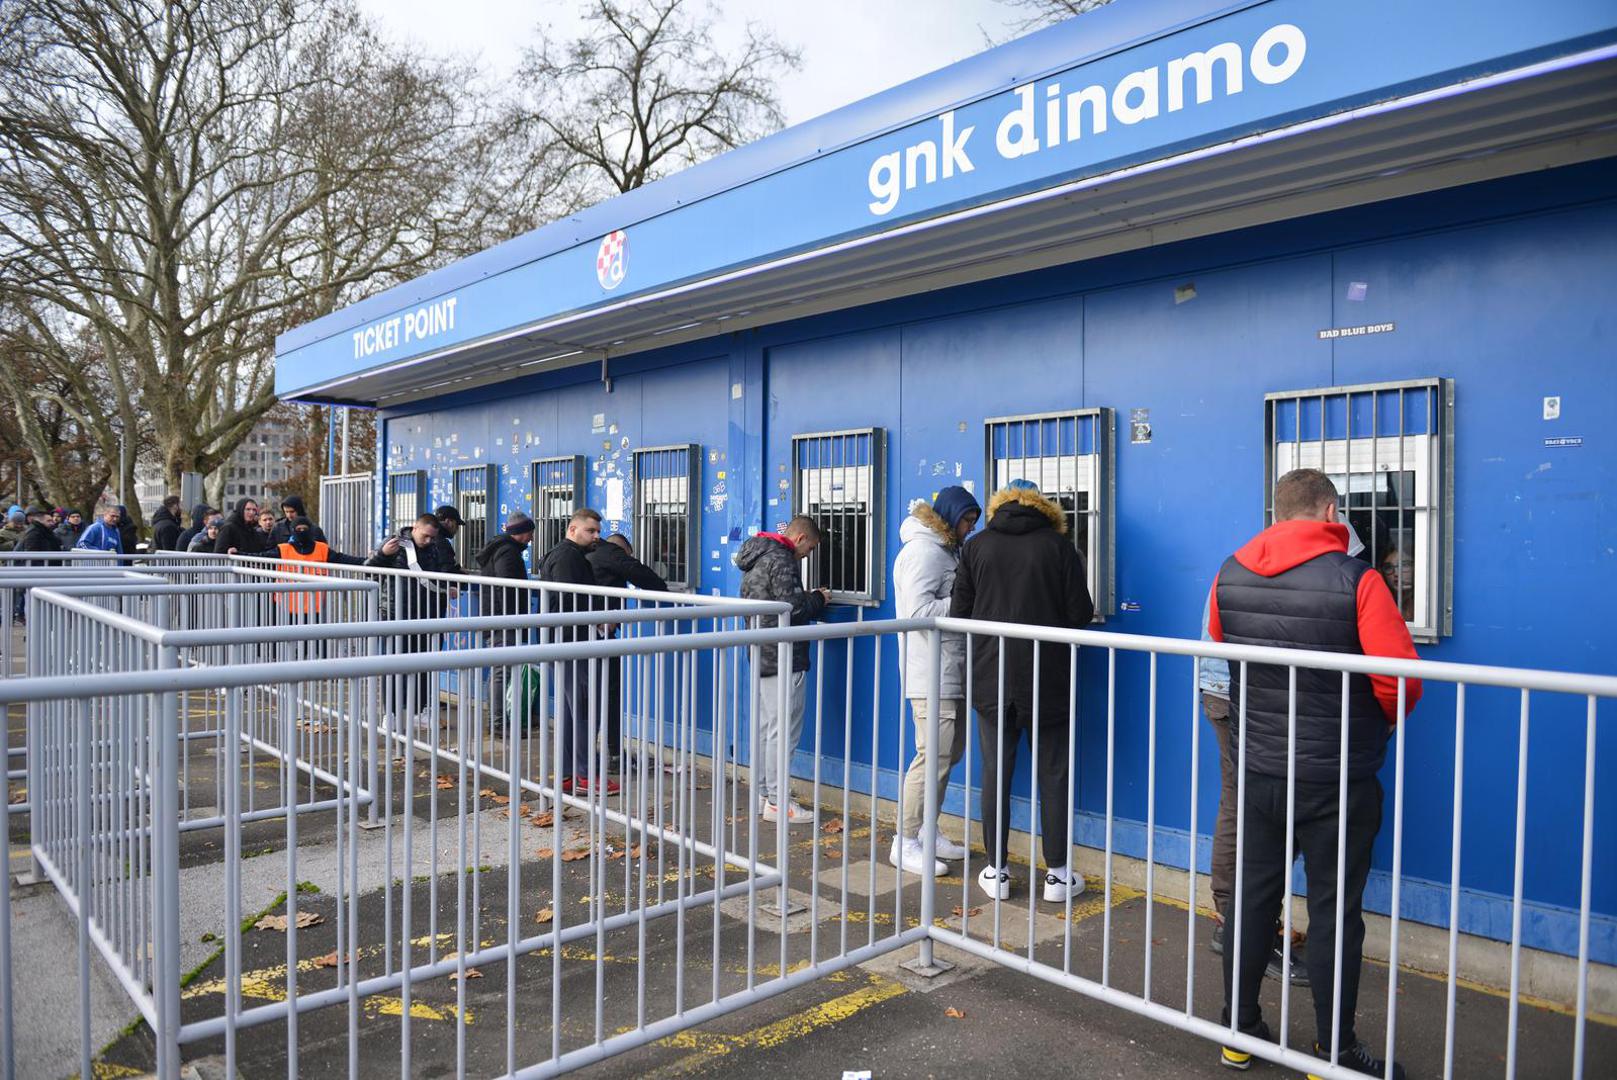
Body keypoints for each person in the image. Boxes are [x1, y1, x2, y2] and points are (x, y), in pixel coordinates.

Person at [1208, 468, 1421, 1079]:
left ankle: (1238, 1031)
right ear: (1331, 511)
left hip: (1259, 771)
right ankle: (1333, 1053)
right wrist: (1371, 728)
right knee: (1333, 912)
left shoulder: (1230, 573)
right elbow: (1398, 681)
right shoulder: (1359, 579)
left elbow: (1229, 654)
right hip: (1337, 779)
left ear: (1278, 512)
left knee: (1253, 901)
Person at [950, 479, 1092, 904]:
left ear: (999, 505)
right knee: (1053, 773)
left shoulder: (977, 546)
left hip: (991, 679)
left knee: (996, 773)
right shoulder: (1058, 547)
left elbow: (960, 613)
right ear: (1042, 505)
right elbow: (1079, 614)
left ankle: (997, 870)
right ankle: (1058, 875)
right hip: (1047, 678)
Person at [1200, 593, 1308, 986]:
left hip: (1223, 685)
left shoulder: (1239, 563)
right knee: (1260, 807)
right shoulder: (1296, 563)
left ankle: (1232, 921)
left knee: (1238, 801)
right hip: (1254, 692)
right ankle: (1246, 928)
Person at [890, 486, 980, 877]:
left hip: (949, 670)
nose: (969, 529)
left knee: (947, 756)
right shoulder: (924, 552)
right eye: (966, 521)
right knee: (931, 759)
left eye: (974, 523)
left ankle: (927, 828)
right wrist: (965, 601)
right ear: (949, 516)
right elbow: (918, 610)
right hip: (931, 674)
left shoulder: (944, 550)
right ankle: (905, 840)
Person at [735, 515, 830, 825]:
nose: (808, 555)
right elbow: (795, 608)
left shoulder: (756, 557)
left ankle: (765, 794)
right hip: (785, 656)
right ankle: (778, 802)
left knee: (766, 730)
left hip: (761, 652)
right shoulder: (784, 559)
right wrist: (819, 598)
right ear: (800, 539)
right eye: (811, 548)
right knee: (783, 732)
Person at [537, 508, 617, 795]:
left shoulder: (560, 554)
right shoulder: (569, 557)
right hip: (573, 641)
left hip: (564, 639)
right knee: (584, 708)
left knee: (573, 710)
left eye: (597, 531)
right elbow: (574, 600)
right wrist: (598, 622)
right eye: (590, 531)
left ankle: (569, 774)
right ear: (572, 529)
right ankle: (585, 776)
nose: (596, 536)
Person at [587, 531, 670, 769]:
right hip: (599, 633)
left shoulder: (586, 554)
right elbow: (643, 574)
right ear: (622, 551)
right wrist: (662, 590)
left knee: (594, 694)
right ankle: (607, 756)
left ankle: (597, 755)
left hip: (585, 633)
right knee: (607, 692)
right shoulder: (610, 552)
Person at [368, 513, 456, 733]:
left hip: (427, 616)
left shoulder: (435, 547)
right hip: (396, 615)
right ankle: (391, 714)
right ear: (415, 527)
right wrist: (381, 554)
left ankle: (420, 711)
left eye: (432, 537)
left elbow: (439, 575)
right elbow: (368, 572)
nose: (428, 541)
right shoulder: (395, 545)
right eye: (425, 536)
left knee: (424, 666)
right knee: (394, 667)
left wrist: (449, 586)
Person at [475, 514, 536, 733]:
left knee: (499, 672)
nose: (531, 537)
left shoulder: (500, 548)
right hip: (504, 621)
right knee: (501, 673)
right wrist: (514, 619)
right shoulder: (507, 552)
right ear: (522, 532)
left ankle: (498, 721)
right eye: (530, 532)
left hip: (497, 618)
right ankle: (498, 723)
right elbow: (506, 588)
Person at [432, 504, 468, 575]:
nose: (457, 529)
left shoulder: (433, 536)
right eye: (456, 525)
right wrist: (463, 574)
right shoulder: (441, 542)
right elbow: (447, 571)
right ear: (448, 521)